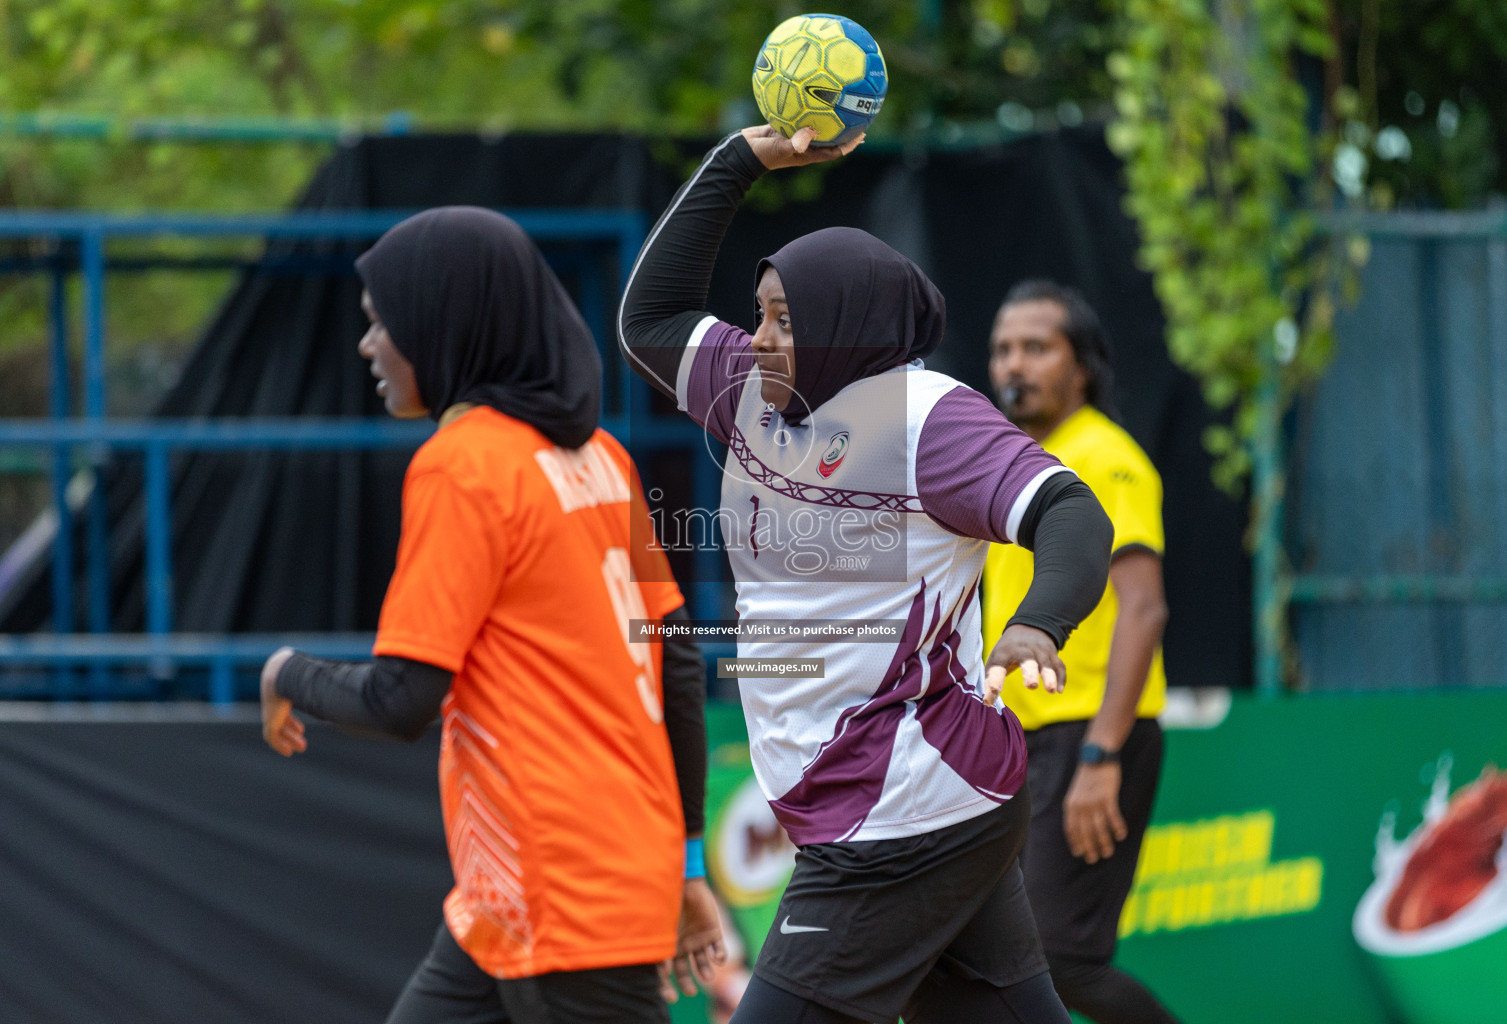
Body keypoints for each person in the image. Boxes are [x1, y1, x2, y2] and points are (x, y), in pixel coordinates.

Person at [619, 125, 1114, 1024]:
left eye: (786, 319)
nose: (759, 336)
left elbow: (1072, 513)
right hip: (900, 800)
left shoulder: (926, 422)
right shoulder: (754, 390)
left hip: (902, 810)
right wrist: (739, 162)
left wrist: (1039, 624)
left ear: (850, 327)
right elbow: (647, 319)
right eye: (759, 311)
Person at [256, 206, 725, 1024]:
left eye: (381, 324)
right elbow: (675, 661)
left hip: (559, 886)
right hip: (534, 891)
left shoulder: (462, 466)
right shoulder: (600, 457)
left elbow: (401, 701)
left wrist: (286, 672)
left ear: (442, 325)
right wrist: (683, 863)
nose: (368, 346)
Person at [982, 281, 1181, 1024]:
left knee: (1063, 961)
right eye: (1003, 348)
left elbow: (1145, 606)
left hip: (1092, 737)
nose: (1015, 364)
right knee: (996, 955)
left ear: (1083, 367)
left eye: (1038, 347)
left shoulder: (1104, 457)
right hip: (1022, 742)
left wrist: (1102, 757)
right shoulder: (1015, 464)